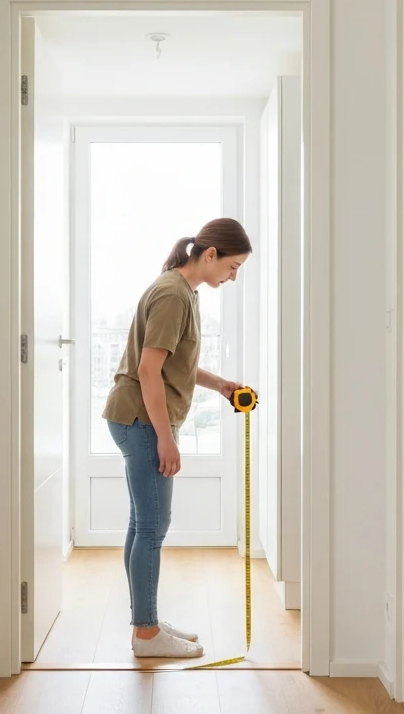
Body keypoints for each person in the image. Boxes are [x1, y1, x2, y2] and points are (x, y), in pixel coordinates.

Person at [102, 217, 254, 658]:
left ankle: (143, 621)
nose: (233, 276)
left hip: (133, 416)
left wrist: (221, 385)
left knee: (142, 524)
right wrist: (166, 441)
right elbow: (148, 371)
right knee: (153, 526)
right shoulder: (173, 295)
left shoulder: (182, 291)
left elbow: (174, 366)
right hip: (141, 420)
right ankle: (146, 635)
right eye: (233, 266)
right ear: (211, 255)